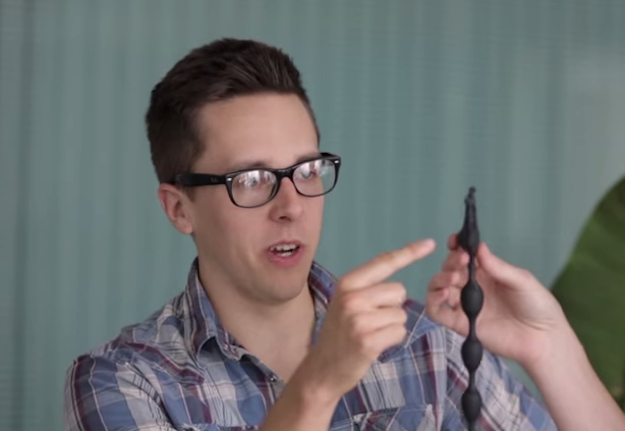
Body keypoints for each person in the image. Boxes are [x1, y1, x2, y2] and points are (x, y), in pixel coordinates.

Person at [63, 38, 625, 431]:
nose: (291, 206)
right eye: (252, 180)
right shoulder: (125, 381)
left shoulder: (425, 347)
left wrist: (547, 347)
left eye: (307, 171)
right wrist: (320, 382)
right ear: (179, 208)